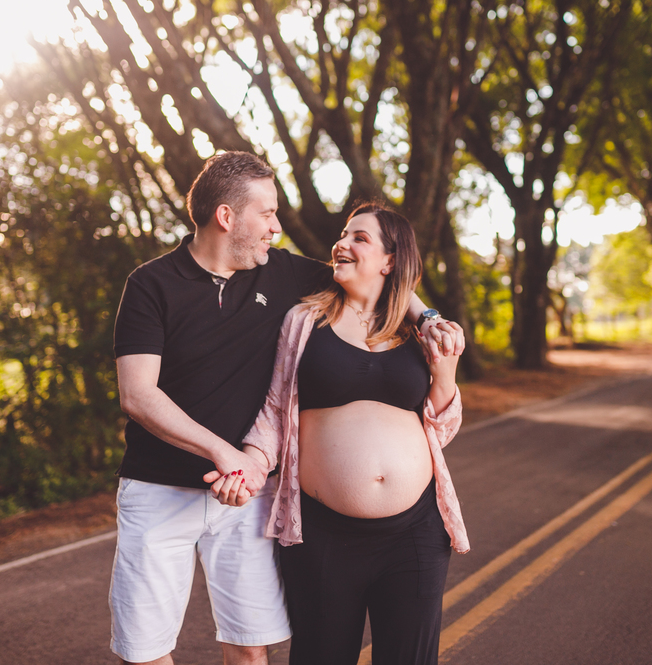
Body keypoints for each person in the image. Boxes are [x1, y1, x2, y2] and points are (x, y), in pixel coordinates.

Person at [109, 152, 462, 665]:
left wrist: (429, 318)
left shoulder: (281, 274)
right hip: (164, 485)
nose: (277, 227)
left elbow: (379, 278)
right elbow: (138, 395)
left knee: (252, 649)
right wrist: (228, 453)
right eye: (268, 214)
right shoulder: (152, 284)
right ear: (227, 218)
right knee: (145, 652)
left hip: (251, 496)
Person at [207, 203, 469, 665]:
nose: (342, 244)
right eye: (343, 234)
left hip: (415, 533)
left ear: (390, 261)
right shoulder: (305, 321)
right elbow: (273, 412)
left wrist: (444, 374)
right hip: (324, 535)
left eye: (359, 238)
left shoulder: (419, 334)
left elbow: (441, 429)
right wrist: (248, 465)